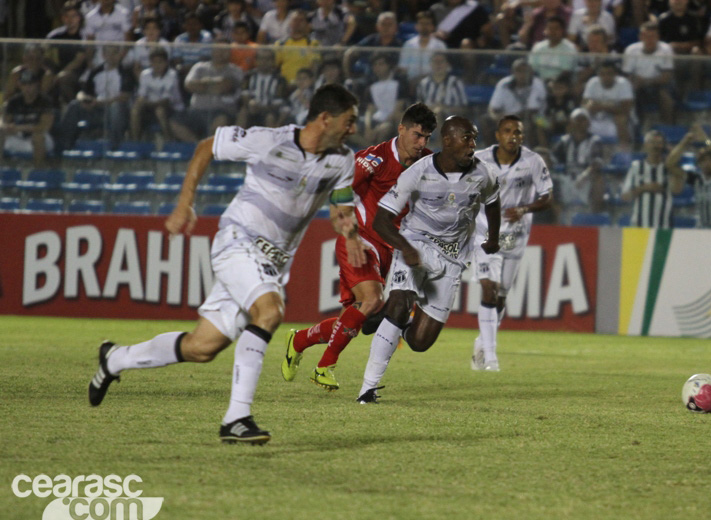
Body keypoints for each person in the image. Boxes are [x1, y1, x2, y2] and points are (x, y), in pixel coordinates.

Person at [88, 84, 365, 445]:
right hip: (238, 241)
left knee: (202, 347)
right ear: (325, 118)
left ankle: (115, 359)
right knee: (269, 312)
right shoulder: (269, 141)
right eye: (349, 120)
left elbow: (341, 206)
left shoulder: (342, 159)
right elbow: (207, 147)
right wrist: (185, 202)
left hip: (274, 260)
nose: (353, 128)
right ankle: (236, 418)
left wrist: (350, 232)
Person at [281, 103, 438, 391]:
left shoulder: (427, 163)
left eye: (427, 138)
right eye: (417, 135)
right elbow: (340, 187)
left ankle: (300, 340)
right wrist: (349, 234)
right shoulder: (374, 159)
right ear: (401, 129)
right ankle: (324, 366)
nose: (422, 143)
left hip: (392, 249)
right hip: (361, 240)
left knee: (360, 318)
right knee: (372, 300)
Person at [355, 115, 501, 403]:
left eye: (474, 138)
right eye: (467, 138)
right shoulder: (418, 172)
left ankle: (388, 316)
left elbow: (494, 201)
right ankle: (367, 389)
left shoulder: (484, 174)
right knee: (400, 302)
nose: (473, 145)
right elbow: (381, 222)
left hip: (452, 259)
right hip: (415, 244)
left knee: (420, 343)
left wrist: (493, 238)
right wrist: (405, 248)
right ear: (447, 141)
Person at [470, 115, 553, 372]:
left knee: (501, 296)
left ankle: (481, 343)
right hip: (485, 232)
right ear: (497, 135)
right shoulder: (480, 159)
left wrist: (525, 208)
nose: (512, 136)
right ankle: (491, 359)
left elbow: (547, 195)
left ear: (522, 136)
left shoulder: (532, 161)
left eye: (517, 132)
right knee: (488, 289)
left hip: (514, 236)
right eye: (507, 131)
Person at [665, 124, 711, 229]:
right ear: (699, 165)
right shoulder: (695, 179)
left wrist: (706, 140)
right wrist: (684, 142)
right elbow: (669, 164)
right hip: (702, 231)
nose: (707, 163)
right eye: (703, 160)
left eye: (710, 159)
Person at [621, 129, 685, 228]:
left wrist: (674, 160)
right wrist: (645, 188)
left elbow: (677, 190)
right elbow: (625, 196)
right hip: (639, 226)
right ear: (645, 145)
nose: (656, 146)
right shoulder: (636, 166)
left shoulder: (669, 168)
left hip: (664, 226)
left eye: (659, 143)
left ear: (663, 146)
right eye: (652, 142)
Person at [0, 70, 56, 168]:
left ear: (37, 84)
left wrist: (20, 128)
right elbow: (4, 121)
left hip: (41, 138)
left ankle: (38, 173)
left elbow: (44, 127)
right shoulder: (14, 101)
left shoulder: (44, 101)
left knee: (38, 137)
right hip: (19, 137)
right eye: (24, 84)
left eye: (30, 84)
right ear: (20, 85)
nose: (27, 88)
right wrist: (7, 127)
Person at [130, 48, 184, 140]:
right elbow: (141, 96)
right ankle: (135, 142)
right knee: (135, 110)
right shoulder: (145, 74)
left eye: (160, 62)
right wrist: (143, 102)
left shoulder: (172, 75)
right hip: (150, 107)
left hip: (173, 108)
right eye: (154, 62)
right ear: (150, 63)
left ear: (166, 62)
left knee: (160, 111)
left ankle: (169, 140)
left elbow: (165, 101)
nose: (157, 65)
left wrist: (146, 103)